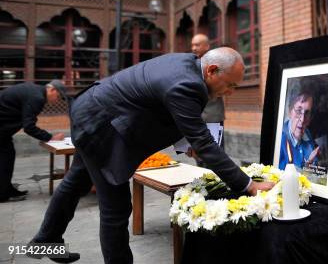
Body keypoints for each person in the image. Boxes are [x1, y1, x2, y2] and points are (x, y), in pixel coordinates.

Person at [31, 48, 274, 263]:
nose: (230, 93)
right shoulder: (187, 85)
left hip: (93, 110)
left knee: (76, 181)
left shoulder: (189, 65)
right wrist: (249, 185)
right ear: (211, 70)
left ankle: (45, 239)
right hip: (101, 126)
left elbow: (165, 107)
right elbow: (204, 142)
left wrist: (186, 140)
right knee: (115, 208)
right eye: (230, 85)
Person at [0, 80, 67, 203]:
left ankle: (6, 189)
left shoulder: (36, 91)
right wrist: (50, 137)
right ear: (52, 90)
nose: (57, 100)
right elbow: (29, 127)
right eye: (58, 97)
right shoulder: (37, 97)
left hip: (3, 129)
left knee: (7, 156)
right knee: (5, 158)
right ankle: (3, 194)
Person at [190, 33, 225, 149]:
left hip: (212, 116)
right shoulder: (191, 63)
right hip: (195, 116)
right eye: (192, 45)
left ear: (207, 46)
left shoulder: (217, 63)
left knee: (215, 150)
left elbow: (221, 86)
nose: (194, 48)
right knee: (198, 152)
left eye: (197, 45)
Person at [278, 88, 320, 170]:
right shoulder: (279, 139)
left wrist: (311, 163)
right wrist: (308, 165)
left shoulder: (307, 134)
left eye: (307, 113)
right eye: (298, 111)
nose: (303, 119)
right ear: (290, 111)